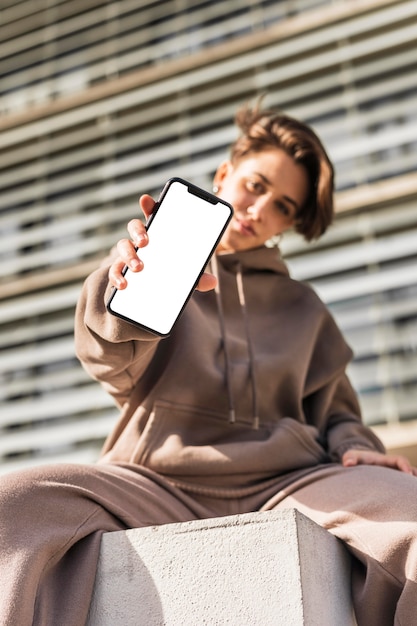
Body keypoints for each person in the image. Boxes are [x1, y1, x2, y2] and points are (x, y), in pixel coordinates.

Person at [1, 102, 417, 626]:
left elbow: (335, 413)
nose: (260, 209)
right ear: (226, 173)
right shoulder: (151, 256)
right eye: (255, 185)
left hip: (291, 480)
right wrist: (122, 289)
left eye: (283, 207)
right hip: (154, 479)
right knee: (10, 506)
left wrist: (357, 447)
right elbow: (108, 358)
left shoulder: (304, 308)